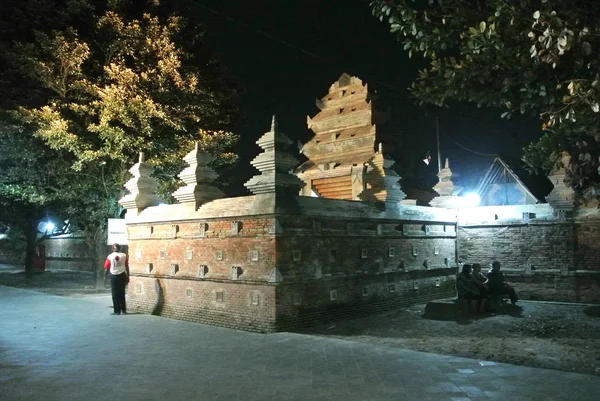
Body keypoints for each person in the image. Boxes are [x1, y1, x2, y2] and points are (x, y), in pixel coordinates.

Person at [104, 244, 129, 315]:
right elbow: (127, 266)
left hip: (114, 275)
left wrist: (105, 276)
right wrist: (128, 275)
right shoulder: (124, 255)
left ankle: (117, 311)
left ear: (112, 249)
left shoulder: (110, 256)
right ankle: (124, 310)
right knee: (122, 292)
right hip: (122, 275)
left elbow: (106, 267)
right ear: (119, 248)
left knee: (115, 294)